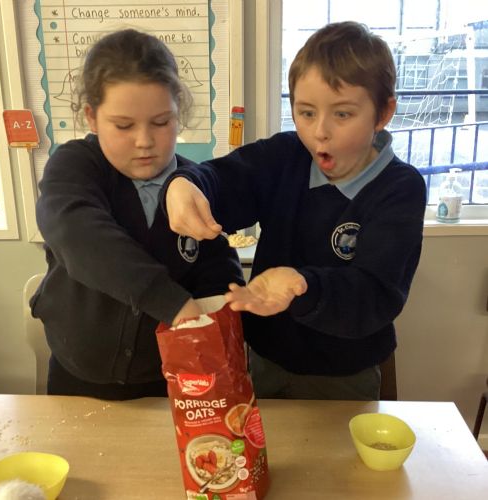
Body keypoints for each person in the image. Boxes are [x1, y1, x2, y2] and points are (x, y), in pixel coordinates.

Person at [163, 21, 427, 400]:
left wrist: (303, 285)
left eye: (342, 114)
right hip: (267, 359)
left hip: (345, 373)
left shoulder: (399, 188)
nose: (320, 132)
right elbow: (225, 179)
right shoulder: (286, 156)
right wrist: (186, 184)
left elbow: (375, 295)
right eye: (306, 113)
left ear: (383, 113)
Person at [30, 29, 244, 400]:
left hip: (165, 381)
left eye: (161, 122)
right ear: (91, 117)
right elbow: (80, 236)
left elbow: (216, 265)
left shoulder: (194, 185)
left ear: (178, 112)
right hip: (77, 378)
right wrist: (171, 302)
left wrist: (228, 309)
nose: (144, 141)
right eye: (124, 125)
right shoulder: (75, 166)